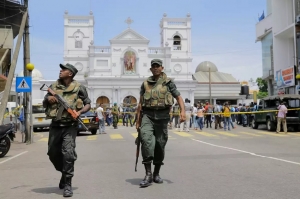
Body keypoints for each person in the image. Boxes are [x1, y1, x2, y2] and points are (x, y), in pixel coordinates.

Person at [136, 59, 186, 187]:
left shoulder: (168, 83)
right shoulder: (145, 84)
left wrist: (183, 111)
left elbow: (178, 97)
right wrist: (138, 121)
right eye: (153, 67)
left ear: (162, 68)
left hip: (163, 117)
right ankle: (148, 174)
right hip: (147, 116)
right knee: (146, 142)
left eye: (158, 66)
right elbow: (140, 103)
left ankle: (156, 173)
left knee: (160, 145)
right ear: (151, 69)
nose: (156, 68)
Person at [43, 63, 91, 197]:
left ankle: (68, 184)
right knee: (52, 153)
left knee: (68, 154)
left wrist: (79, 112)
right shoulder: (53, 87)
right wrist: (49, 99)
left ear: (70, 73)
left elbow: (88, 103)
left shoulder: (79, 87)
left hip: (70, 126)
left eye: (63, 69)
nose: (61, 70)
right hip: (55, 125)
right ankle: (64, 173)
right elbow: (44, 101)